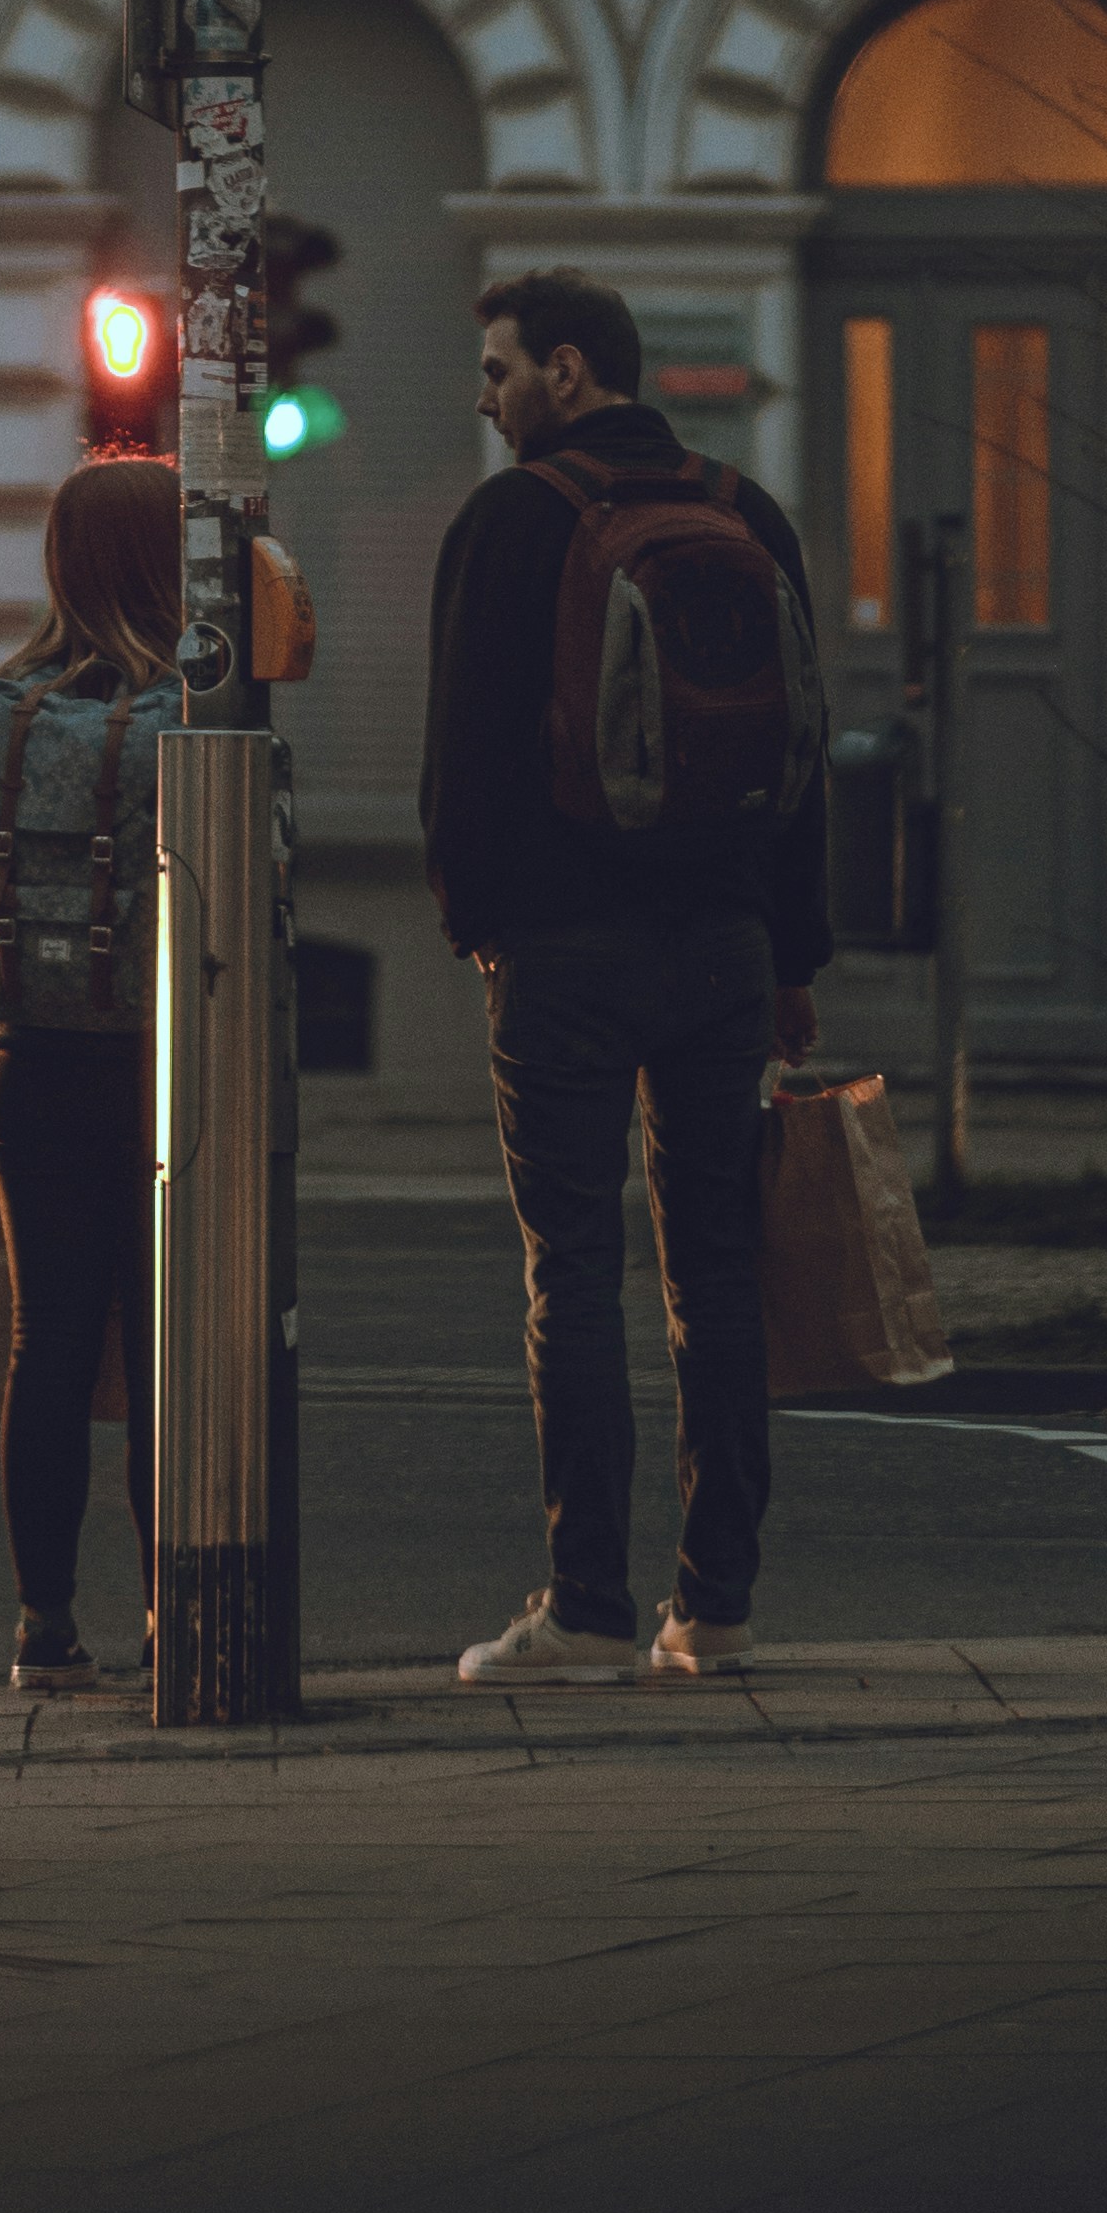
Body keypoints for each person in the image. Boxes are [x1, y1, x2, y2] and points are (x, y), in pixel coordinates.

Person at [421, 266, 830, 1687]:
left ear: (569, 372)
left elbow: (462, 760)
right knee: (717, 1270)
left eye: (499, 369)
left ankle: (587, 1610)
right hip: (725, 945)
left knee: (575, 1271)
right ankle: (716, 1607)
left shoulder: (510, 522)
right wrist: (793, 955)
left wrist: (480, 927)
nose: (485, 396)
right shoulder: (745, 509)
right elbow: (804, 754)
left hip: (563, 952)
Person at [0, 463, 184, 1694]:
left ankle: (42, 1627)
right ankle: (168, 1614)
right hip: (161, 1070)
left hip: (30, 1059)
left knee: (47, 1339)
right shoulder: (196, 712)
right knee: (160, 1349)